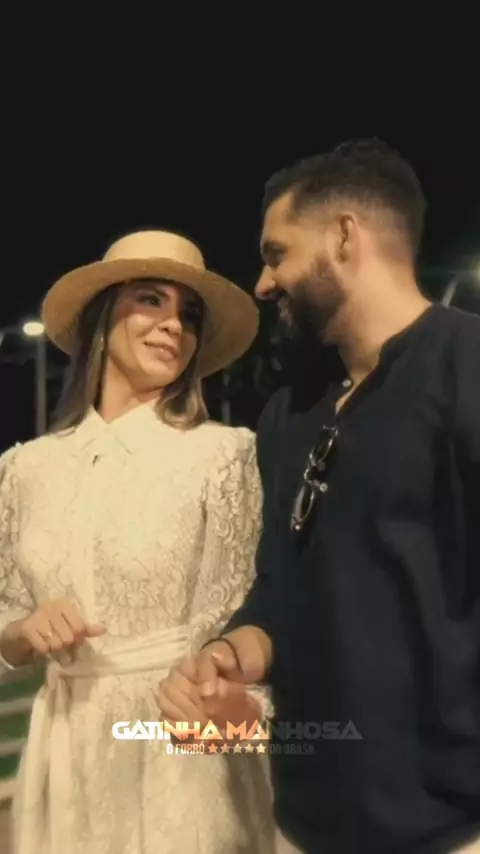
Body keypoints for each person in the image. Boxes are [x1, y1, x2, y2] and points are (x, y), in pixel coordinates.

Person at [158, 141, 480, 853]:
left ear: (343, 236)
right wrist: (232, 654)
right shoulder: (289, 412)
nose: (263, 282)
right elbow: (280, 588)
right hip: (303, 824)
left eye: (277, 253)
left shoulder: (467, 368)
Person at [0, 229, 276, 854]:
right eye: (151, 299)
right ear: (102, 320)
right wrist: (23, 630)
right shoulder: (24, 469)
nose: (174, 325)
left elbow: (241, 626)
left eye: (189, 314)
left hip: (179, 752)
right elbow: (6, 622)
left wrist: (235, 721)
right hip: (62, 754)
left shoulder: (223, 457)